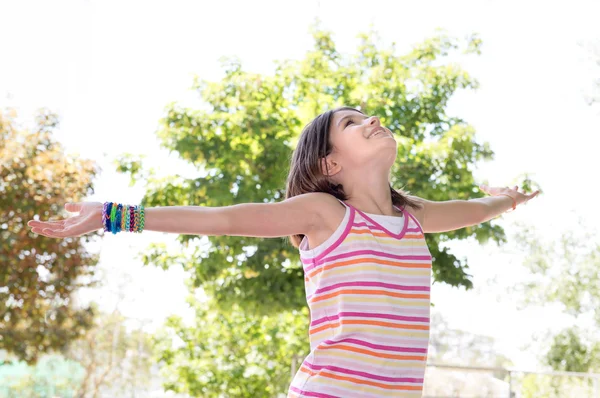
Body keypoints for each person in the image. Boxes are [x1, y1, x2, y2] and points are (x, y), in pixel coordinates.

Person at [27, 106, 540, 397]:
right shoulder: (324, 213)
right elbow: (226, 220)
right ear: (330, 163)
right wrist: (119, 216)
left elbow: (469, 208)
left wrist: (507, 200)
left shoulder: (412, 218)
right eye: (352, 123)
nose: (372, 119)